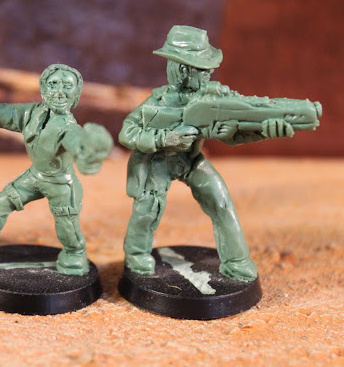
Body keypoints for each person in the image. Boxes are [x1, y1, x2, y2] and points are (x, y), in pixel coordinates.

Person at [119, 25, 294, 282]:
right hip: (156, 163)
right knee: (148, 209)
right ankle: (136, 255)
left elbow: (233, 135)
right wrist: (163, 139)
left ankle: (236, 261)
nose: (209, 74)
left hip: (190, 161)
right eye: (203, 70)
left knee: (220, 201)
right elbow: (127, 132)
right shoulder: (157, 102)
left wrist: (263, 131)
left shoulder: (209, 100)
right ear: (183, 70)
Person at [0, 64, 112, 275]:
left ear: (76, 94)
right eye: (53, 84)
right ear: (43, 89)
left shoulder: (68, 128)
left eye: (67, 86)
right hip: (35, 177)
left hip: (62, 185)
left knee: (67, 229)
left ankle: (75, 253)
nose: (60, 92)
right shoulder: (31, 113)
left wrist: (87, 149)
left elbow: (76, 140)